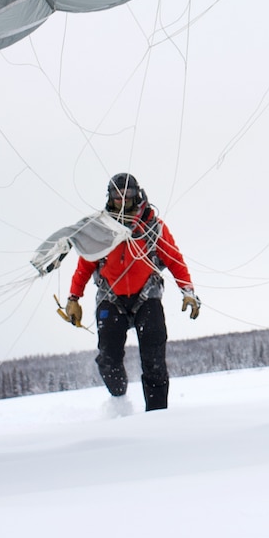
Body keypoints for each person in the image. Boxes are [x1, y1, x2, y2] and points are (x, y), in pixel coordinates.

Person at [60, 173, 201, 412]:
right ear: (110, 197)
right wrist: (74, 298)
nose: (122, 200)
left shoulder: (152, 226)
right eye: (117, 195)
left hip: (146, 296)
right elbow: (84, 266)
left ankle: (157, 415)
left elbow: (175, 259)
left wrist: (187, 290)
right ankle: (119, 399)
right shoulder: (100, 228)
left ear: (137, 194)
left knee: (154, 359)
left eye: (128, 195)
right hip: (111, 299)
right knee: (108, 358)